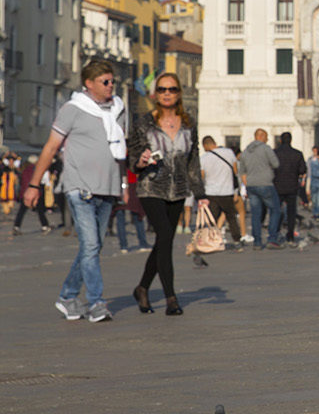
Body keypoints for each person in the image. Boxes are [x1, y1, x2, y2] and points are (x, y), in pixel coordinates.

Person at [24, 59, 128, 323]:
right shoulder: (73, 109)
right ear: (89, 84)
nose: (110, 85)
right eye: (105, 81)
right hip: (79, 187)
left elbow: (120, 150)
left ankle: (68, 296)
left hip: (109, 187)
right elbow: (50, 148)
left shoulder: (118, 109)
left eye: (112, 80)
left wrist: (124, 184)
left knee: (92, 248)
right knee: (91, 245)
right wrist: (34, 184)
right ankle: (96, 304)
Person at [127, 72, 205, 316]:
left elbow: (193, 161)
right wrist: (139, 161)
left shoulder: (189, 124)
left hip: (179, 190)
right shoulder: (143, 124)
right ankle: (171, 298)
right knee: (164, 237)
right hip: (152, 187)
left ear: (179, 93)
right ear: (155, 94)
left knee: (164, 241)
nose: (167, 93)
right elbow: (131, 158)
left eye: (171, 89)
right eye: (162, 90)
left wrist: (200, 194)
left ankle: (142, 287)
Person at [238, 128, 282, 249]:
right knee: (275, 210)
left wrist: (246, 185)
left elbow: (242, 172)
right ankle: (272, 238)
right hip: (265, 184)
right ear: (261, 136)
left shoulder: (246, 151)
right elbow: (276, 164)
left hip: (251, 185)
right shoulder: (266, 149)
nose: (267, 140)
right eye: (266, 137)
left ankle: (257, 241)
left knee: (255, 214)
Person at [200, 136, 243, 243]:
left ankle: (210, 239)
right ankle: (237, 240)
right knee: (231, 217)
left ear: (205, 145)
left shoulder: (204, 158)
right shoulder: (229, 153)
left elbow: (202, 176)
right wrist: (236, 191)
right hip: (227, 191)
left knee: (212, 218)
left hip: (211, 192)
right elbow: (235, 171)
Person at [273, 132, 307, 244]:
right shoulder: (297, 154)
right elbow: (302, 170)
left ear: (281, 140)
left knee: (277, 211)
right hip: (292, 186)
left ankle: (276, 232)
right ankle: (290, 235)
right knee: (292, 212)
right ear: (291, 140)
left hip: (277, 185)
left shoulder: (275, 153)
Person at [307, 146, 319, 218]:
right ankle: (314, 212)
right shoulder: (313, 163)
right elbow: (314, 173)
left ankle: (317, 213)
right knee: (314, 199)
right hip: (314, 183)